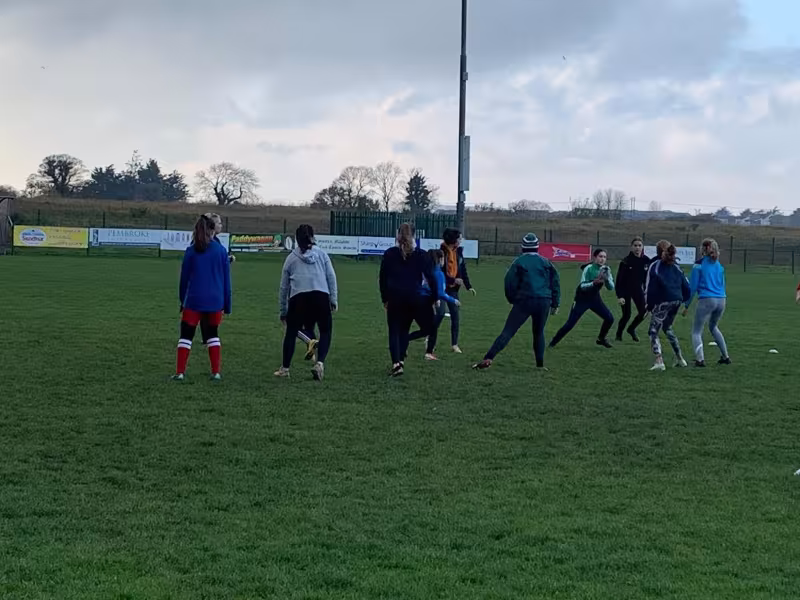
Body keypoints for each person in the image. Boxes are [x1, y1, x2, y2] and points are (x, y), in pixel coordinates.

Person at [473, 233, 560, 370]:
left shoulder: (518, 262)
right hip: (544, 301)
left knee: (508, 331)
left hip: (524, 301)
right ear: (537, 248)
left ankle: (488, 358)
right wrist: (555, 303)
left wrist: (512, 299)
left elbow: (509, 283)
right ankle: (540, 365)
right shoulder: (546, 262)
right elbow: (555, 282)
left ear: (523, 247)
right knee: (538, 332)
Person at [173, 215, 232, 381]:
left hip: (193, 300)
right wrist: (227, 304)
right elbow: (227, 281)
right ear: (212, 230)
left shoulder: (191, 251)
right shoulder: (221, 251)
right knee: (213, 335)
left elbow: (184, 279)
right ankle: (216, 372)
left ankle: (180, 372)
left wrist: (182, 300)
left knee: (186, 336)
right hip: (215, 301)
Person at [276, 224, 338, 381]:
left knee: (291, 332)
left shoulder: (291, 259)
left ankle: (285, 369)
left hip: (299, 298)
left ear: (296, 239)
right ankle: (320, 363)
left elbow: (284, 287)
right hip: (321, 295)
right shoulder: (322, 255)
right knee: (325, 331)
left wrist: (283, 310)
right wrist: (333, 299)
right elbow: (331, 277)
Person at [379, 223, 439, 377]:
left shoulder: (390, 254)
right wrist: (434, 297)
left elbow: (383, 278)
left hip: (395, 298)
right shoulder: (421, 254)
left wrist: (384, 298)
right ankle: (402, 360)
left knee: (395, 331)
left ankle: (396, 363)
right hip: (415, 298)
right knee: (407, 329)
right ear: (414, 236)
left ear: (398, 235)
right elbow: (432, 278)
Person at [549, 248, 615, 349]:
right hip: (581, 299)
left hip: (594, 299)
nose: (602, 259)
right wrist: (594, 282)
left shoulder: (606, 269)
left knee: (609, 318)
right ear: (595, 257)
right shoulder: (588, 268)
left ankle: (601, 339)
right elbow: (582, 286)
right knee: (570, 324)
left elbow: (611, 287)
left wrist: (606, 280)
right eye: (600, 256)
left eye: (604, 257)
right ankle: (553, 342)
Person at [683, 238, 731, 367]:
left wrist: (686, 305)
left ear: (702, 249)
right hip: (721, 299)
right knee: (713, 326)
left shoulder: (698, 265)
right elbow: (722, 284)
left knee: (696, 331)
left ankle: (700, 360)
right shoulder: (719, 266)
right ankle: (725, 356)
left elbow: (692, 287)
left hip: (706, 299)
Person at [645, 243, 690, 371]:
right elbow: (687, 286)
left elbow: (650, 288)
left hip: (663, 301)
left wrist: (649, 305)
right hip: (676, 301)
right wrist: (683, 299)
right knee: (667, 327)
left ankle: (659, 360)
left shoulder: (655, 266)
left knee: (653, 331)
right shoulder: (677, 267)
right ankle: (680, 358)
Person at [409, 249, 460, 360]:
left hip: (414, 299)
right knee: (430, 328)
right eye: (444, 259)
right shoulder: (438, 273)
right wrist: (454, 300)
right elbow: (441, 293)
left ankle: (403, 342)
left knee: (428, 328)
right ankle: (426, 352)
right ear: (440, 259)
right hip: (425, 302)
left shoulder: (425, 270)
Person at [441, 228, 476, 354]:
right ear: (453, 240)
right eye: (459, 238)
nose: (461, 240)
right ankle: (430, 340)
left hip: (453, 290)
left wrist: (468, 286)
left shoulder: (459, 252)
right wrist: (452, 280)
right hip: (441, 289)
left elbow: (463, 269)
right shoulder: (441, 252)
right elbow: (438, 273)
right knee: (438, 316)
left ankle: (454, 345)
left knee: (455, 316)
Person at [615, 237, 650, 342]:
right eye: (635, 245)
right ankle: (618, 334)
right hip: (625, 291)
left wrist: (646, 290)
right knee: (626, 315)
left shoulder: (646, 261)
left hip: (637, 290)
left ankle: (631, 329)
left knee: (644, 312)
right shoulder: (626, 261)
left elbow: (647, 278)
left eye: (639, 245)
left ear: (642, 247)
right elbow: (619, 281)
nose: (637, 248)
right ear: (631, 247)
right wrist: (619, 296)